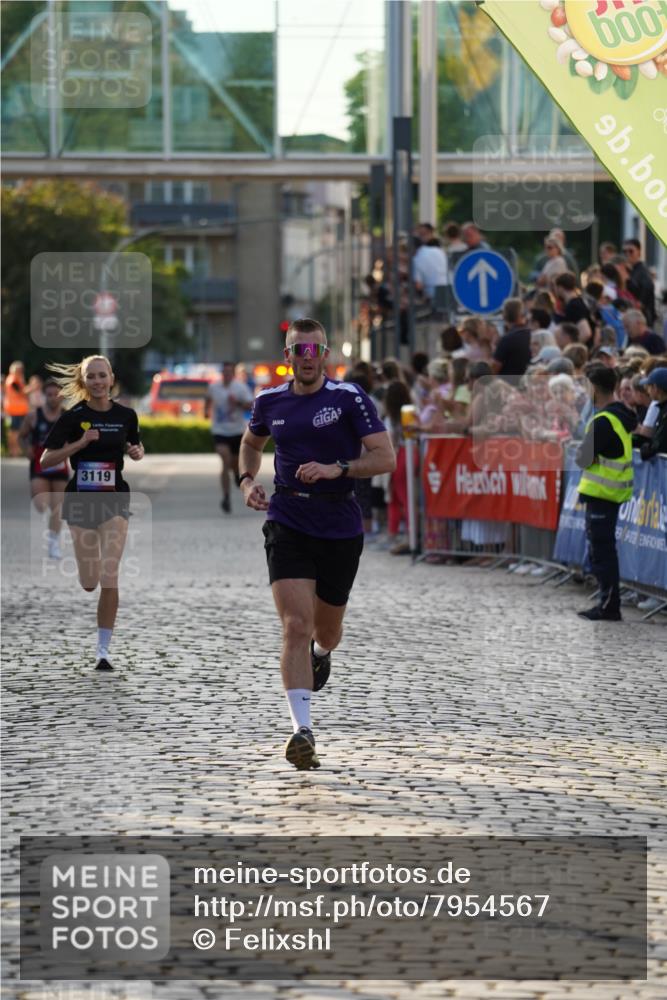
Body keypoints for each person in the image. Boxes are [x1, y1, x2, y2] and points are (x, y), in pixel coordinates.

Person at [238, 319, 395, 771]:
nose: (306, 356)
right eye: (297, 349)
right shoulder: (269, 400)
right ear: (286, 356)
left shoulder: (348, 398)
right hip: (287, 517)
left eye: (313, 349)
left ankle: (322, 655)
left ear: (324, 354)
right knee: (294, 625)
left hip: (339, 522)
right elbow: (251, 443)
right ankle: (301, 730)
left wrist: (337, 467)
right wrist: (247, 481)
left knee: (325, 632)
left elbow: (386, 457)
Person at [40, 355, 144, 670]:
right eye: (91, 376)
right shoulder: (74, 417)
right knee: (89, 581)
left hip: (114, 500)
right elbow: (46, 459)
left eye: (102, 375)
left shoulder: (127, 415)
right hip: (81, 501)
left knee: (110, 575)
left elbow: (132, 445)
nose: (97, 381)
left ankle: (103, 651)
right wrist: (79, 444)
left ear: (111, 377)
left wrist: (136, 451)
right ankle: (91, 573)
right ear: (84, 381)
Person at [575, 363, 636, 622]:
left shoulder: (603, 420)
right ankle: (607, 601)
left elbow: (583, 458)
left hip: (602, 494)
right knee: (602, 551)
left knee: (602, 552)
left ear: (594, 388)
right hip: (606, 494)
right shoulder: (620, 414)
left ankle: (609, 605)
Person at [18, 380, 69, 560]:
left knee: (58, 508)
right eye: (49, 395)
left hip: (60, 465)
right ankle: (49, 527)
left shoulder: (68, 417)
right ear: (44, 396)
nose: (53, 398)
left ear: (61, 396)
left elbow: (77, 440)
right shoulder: (33, 416)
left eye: (56, 394)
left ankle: (53, 544)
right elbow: (22, 436)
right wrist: (26, 449)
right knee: (41, 505)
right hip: (39, 464)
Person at [205, 361, 253, 513]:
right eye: (224, 372)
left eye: (229, 372)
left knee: (234, 464)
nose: (226, 375)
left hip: (237, 431)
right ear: (222, 373)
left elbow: (251, 405)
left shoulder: (240, 387)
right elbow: (208, 398)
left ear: (233, 374)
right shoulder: (214, 387)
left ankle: (237, 474)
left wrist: (237, 402)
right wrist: (206, 411)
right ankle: (226, 497)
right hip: (219, 430)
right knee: (225, 460)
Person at [492, 298, 532, 378]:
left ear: (504, 316)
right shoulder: (532, 334)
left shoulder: (506, 339)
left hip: (508, 385)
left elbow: (495, 368)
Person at [623, 238, 656, 327]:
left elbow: (648, 287)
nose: (627, 254)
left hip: (643, 322)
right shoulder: (632, 271)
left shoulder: (642, 271)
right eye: (624, 251)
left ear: (639, 252)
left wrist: (639, 304)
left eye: (631, 251)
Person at [554, 273, 593, 345]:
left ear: (560, 287)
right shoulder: (579, 301)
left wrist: (572, 349)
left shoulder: (574, 306)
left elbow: (586, 333)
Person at [636, 368, 667, 460]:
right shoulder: (662, 408)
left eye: (648, 387)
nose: (647, 391)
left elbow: (657, 445)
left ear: (656, 388)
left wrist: (645, 447)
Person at [3, 361, 30, 457]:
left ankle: (16, 451)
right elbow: (21, 392)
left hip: (19, 410)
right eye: (19, 370)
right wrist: (32, 388)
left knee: (16, 431)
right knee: (14, 432)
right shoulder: (13, 380)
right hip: (14, 411)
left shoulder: (18, 379)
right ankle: (14, 451)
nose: (21, 371)